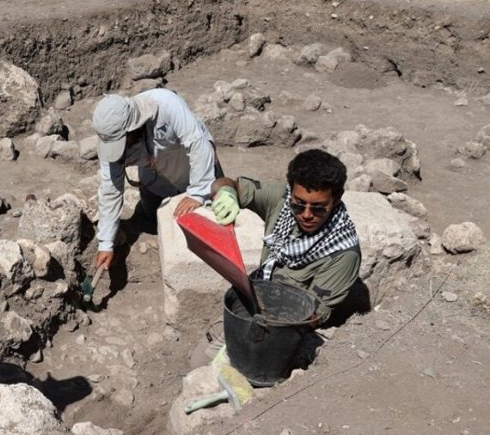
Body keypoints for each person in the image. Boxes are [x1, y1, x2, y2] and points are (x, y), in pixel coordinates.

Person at [209, 149, 361, 327]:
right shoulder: (282, 199)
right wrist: (227, 192)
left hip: (284, 327)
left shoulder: (343, 254)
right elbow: (225, 183)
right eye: (299, 204)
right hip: (254, 299)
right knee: (205, 352)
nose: (306, 215)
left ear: (336, 200)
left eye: (318, 208)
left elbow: (311, 318)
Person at [92, 89, 221, 271]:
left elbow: (197, 143)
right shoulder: (110, 138)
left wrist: (198, 193)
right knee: (157, 222)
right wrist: (106, 243)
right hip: (156, 184)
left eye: (123, 141)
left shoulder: (167, 105)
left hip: (197, 173)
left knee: (217, 221)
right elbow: (110, 188)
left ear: (132, 127)